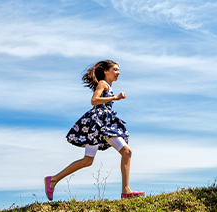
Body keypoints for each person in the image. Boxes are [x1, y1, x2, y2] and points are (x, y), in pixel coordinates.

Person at [44, 60, 145, 200]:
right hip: (100, 124)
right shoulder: (102, 84)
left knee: (87, 161)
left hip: (103, 123)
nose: (118, 72)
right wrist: (115, 97)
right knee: (126, 152)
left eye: (118, 70)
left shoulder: (108, 86)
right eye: (115, 69)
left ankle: (53, 180)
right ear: (106, 71)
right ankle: (126, 191)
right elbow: (94, 100)